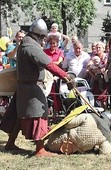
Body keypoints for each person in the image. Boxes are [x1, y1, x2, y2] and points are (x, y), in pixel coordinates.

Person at [2, 18, 72, 157]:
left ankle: (10, 143)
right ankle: (40, 149)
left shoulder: (24, 44)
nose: (44, 40)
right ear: (37, 35)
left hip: (24, 87)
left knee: (18, 115)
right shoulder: (31, 46)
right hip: (31, 88)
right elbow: (49, 64)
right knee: (39, 114)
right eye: (42, 37)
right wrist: (66, 76)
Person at [46, 112, 111, 155]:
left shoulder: (88, 117)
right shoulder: (104, 137)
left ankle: (46, 145)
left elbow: (67, 124)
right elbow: (105, 152)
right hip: (70, 150)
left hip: (54, 142)